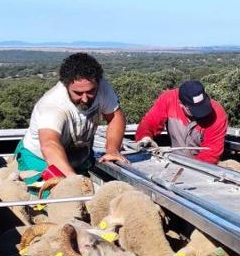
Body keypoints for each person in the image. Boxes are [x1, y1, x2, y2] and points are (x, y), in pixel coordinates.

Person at [17, 52, 127, 185]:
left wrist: (112, 150)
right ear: (66, 85)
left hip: (78, 155)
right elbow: (49, 144)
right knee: (55, 198)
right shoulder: (52, 105)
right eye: (78, 93)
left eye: (91, 91)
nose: (85, 98)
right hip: (40, 159)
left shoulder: (102, 87)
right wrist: (73, 180)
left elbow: (115, 116)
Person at [134, 80, 228, 164]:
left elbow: (210, 154)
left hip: (200, 166)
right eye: (193, 110)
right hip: (174, 160)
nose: (200, 113)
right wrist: (145, 137)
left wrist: (192, 172)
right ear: (180, 104)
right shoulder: (169, 99)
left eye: (202, 106)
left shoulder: (217, 114)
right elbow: (149, 122)